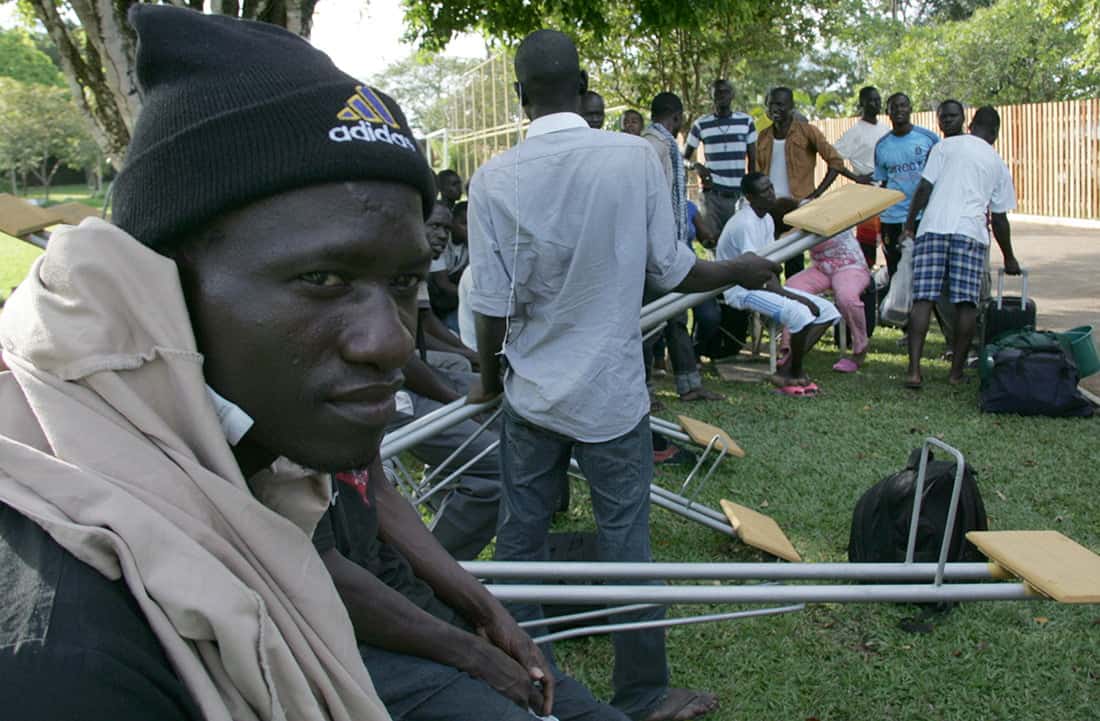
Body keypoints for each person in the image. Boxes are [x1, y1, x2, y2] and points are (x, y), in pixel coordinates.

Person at [0, 8, 614, 721]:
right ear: (158, 284)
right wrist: (466, 649)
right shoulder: (69, 653)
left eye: (404, 283)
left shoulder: (260, 438)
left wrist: (480, 611)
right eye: (323, 278)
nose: (389, 342)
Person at [466, 30, 779, 721]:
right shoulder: (635, 157)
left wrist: (489, 380)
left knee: (520, 537)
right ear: (582, 88)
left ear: (521, 98)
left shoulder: (494, 178)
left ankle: (525, 675)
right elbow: (672, 270)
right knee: (625, 541)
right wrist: (740, 271)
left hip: (531, 392)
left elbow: (489, 304)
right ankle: (643, 693)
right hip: (611, 393)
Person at [902, 106, 1021, 388]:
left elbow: (924, 188)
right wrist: (1010, 258)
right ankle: (955, 373)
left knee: (923, 299)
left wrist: (910, 224)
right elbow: (1000, 219)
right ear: (995, 133)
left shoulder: (946, 147)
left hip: (932, 228)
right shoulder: (997, 163)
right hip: (970, 233)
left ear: (971, 124)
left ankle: (914, 372)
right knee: (966, 303)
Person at [716, 173, 840, 394]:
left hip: (761, 283)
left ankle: (787, 370)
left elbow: (768, 265)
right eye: (764, 191)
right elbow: (753, 273)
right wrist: (795, 296)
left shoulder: (767, 218)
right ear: (750, 197)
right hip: (740, 289)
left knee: (828, 311)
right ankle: (794, 373)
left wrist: (787, 292)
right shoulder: (745, 223)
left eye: (771, 187)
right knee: (801, 314)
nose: (771, 193)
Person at [641, 91, 724, 401]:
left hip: (670, 247)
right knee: (649, 323)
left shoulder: (663, 146)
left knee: (676, 315)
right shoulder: (652, 146)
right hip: (654, 250)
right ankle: (643, 392)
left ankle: (689, 385)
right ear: (676, 118)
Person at [756, 86, 869, 278]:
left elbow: (835, 162)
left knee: (794, 260)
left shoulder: (807, 132)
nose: (775, 108)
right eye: (772, 104)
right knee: (769, 260)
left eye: (781, 104)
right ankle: (772, 302)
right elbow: (758, 171)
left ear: (791, 106)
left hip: (796, 207)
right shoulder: (763, 136)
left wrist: (816, 194)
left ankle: (796, 301)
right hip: (769, 207)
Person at [774, 198, 873, 373]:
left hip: (849, 265)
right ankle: (788, 346)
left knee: (846, 297)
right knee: (792, 287)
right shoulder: (797, 221)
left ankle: (860, 347)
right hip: (822, 267)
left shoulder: (811, 211)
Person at [873, 92, 940, 277]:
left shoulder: (929, 138)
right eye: (894, 107)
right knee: (896, 269)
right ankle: (898, 305)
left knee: (924, 269)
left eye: (903, 105)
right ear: (887, 112)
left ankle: (924, 306)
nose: (899, 110)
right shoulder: (881, 145)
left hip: (923, 215)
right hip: (892, 217)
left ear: (910, 109)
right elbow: (883, 181)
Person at [684, 79, 758, 234]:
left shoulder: (746, 122)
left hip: (739, 195)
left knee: (738, 241)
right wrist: (696, 166)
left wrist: (750, 193)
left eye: (725, 92)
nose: (721, 95)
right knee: (712, 242)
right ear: (711, 96)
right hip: (712, 196)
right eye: (717, 92)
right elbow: (683, 159)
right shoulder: (701, 124)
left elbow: (752, 161)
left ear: (732, 95)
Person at [834, 86, 891, 267]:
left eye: (878, 99)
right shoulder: (855, 132)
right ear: (861, 104)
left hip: (888, 189)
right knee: (867, 242)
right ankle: (865, 282)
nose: (875, 103)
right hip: (866, 191)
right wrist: (855, 178)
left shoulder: (885, 128)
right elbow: (834, 158)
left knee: (889, 238)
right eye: (871, 100)